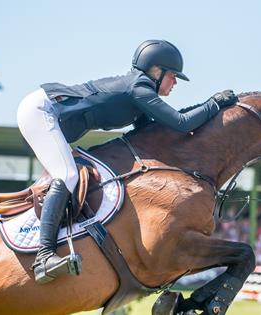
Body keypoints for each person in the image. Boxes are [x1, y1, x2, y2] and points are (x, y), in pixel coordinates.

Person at [17, 39, 238, 284]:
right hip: (42, 110)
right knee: (68, 175)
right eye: (173, 76)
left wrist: (208, 108)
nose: (175, 83)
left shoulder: (140, 93)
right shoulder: (139, 87)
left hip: (48, 110)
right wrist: (214, 103)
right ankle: (44, 257)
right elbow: (182, 122)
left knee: (69, 174)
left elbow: (169, 128)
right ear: (157, 71)